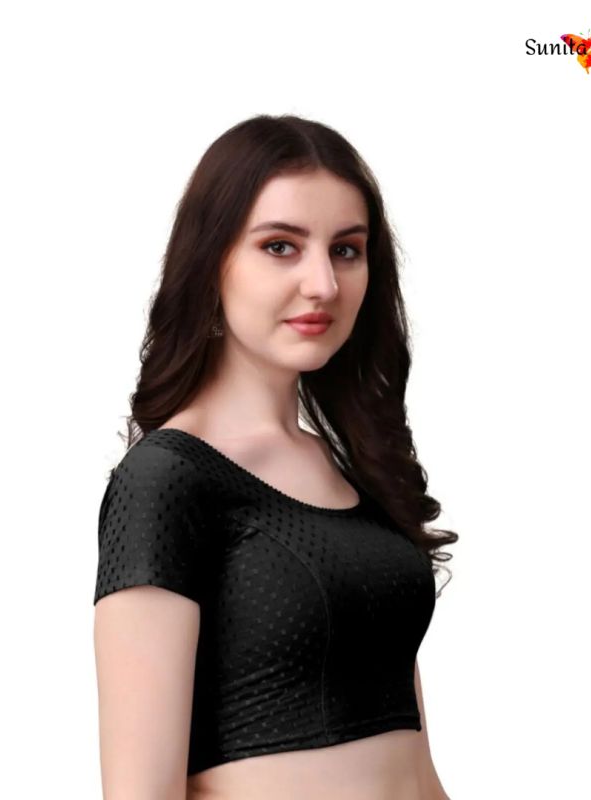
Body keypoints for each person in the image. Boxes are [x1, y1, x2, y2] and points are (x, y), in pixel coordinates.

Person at [93, 113, 457, 800]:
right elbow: (141, 791)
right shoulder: (167, 481)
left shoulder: (356, 471)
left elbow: (415, 762)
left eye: (346, 250)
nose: (323, 283)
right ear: (212, 263)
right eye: (281, 246)